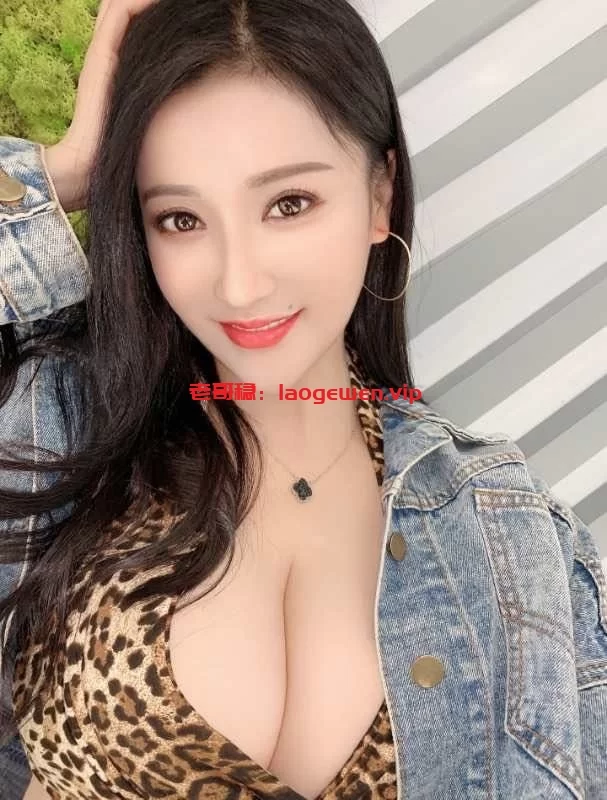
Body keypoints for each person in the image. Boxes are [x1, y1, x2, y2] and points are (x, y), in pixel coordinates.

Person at [0, 0, 606, 798]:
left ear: (379, 196)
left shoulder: (512, 532)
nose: (239, 283)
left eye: (288, 204)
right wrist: (64, 173)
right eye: (179, 218)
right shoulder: (60, 423)